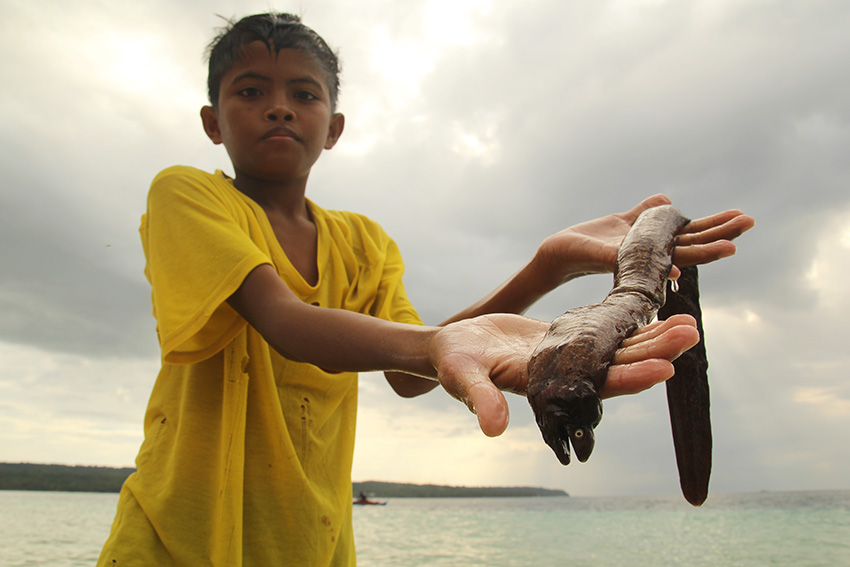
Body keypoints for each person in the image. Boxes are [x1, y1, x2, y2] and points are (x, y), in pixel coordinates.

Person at [97, 12, 753, 567]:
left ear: (335, 125)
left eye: (304, 93)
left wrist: (545, 266)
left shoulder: (365, 243)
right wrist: (440, 342)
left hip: (312, 544)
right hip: (171, 544)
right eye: (249, 91)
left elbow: (411, 373)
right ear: (212, 122)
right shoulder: (187, 195)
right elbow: (287, 321)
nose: (278, 106)